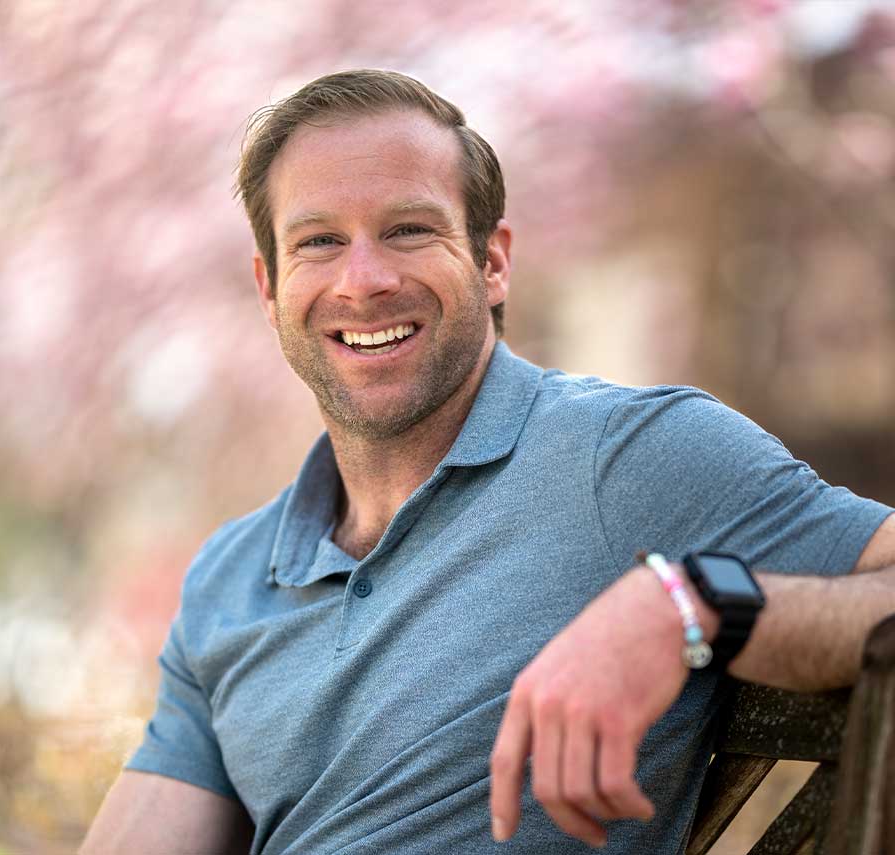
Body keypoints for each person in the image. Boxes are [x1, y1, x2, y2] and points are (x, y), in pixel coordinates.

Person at [80, 69, 895, 854]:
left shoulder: (628, 456)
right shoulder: (230, 578)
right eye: (319, 242)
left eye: (409, 229)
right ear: (270, 288)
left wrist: (690, 603)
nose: (362, 281)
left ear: (493, 261)